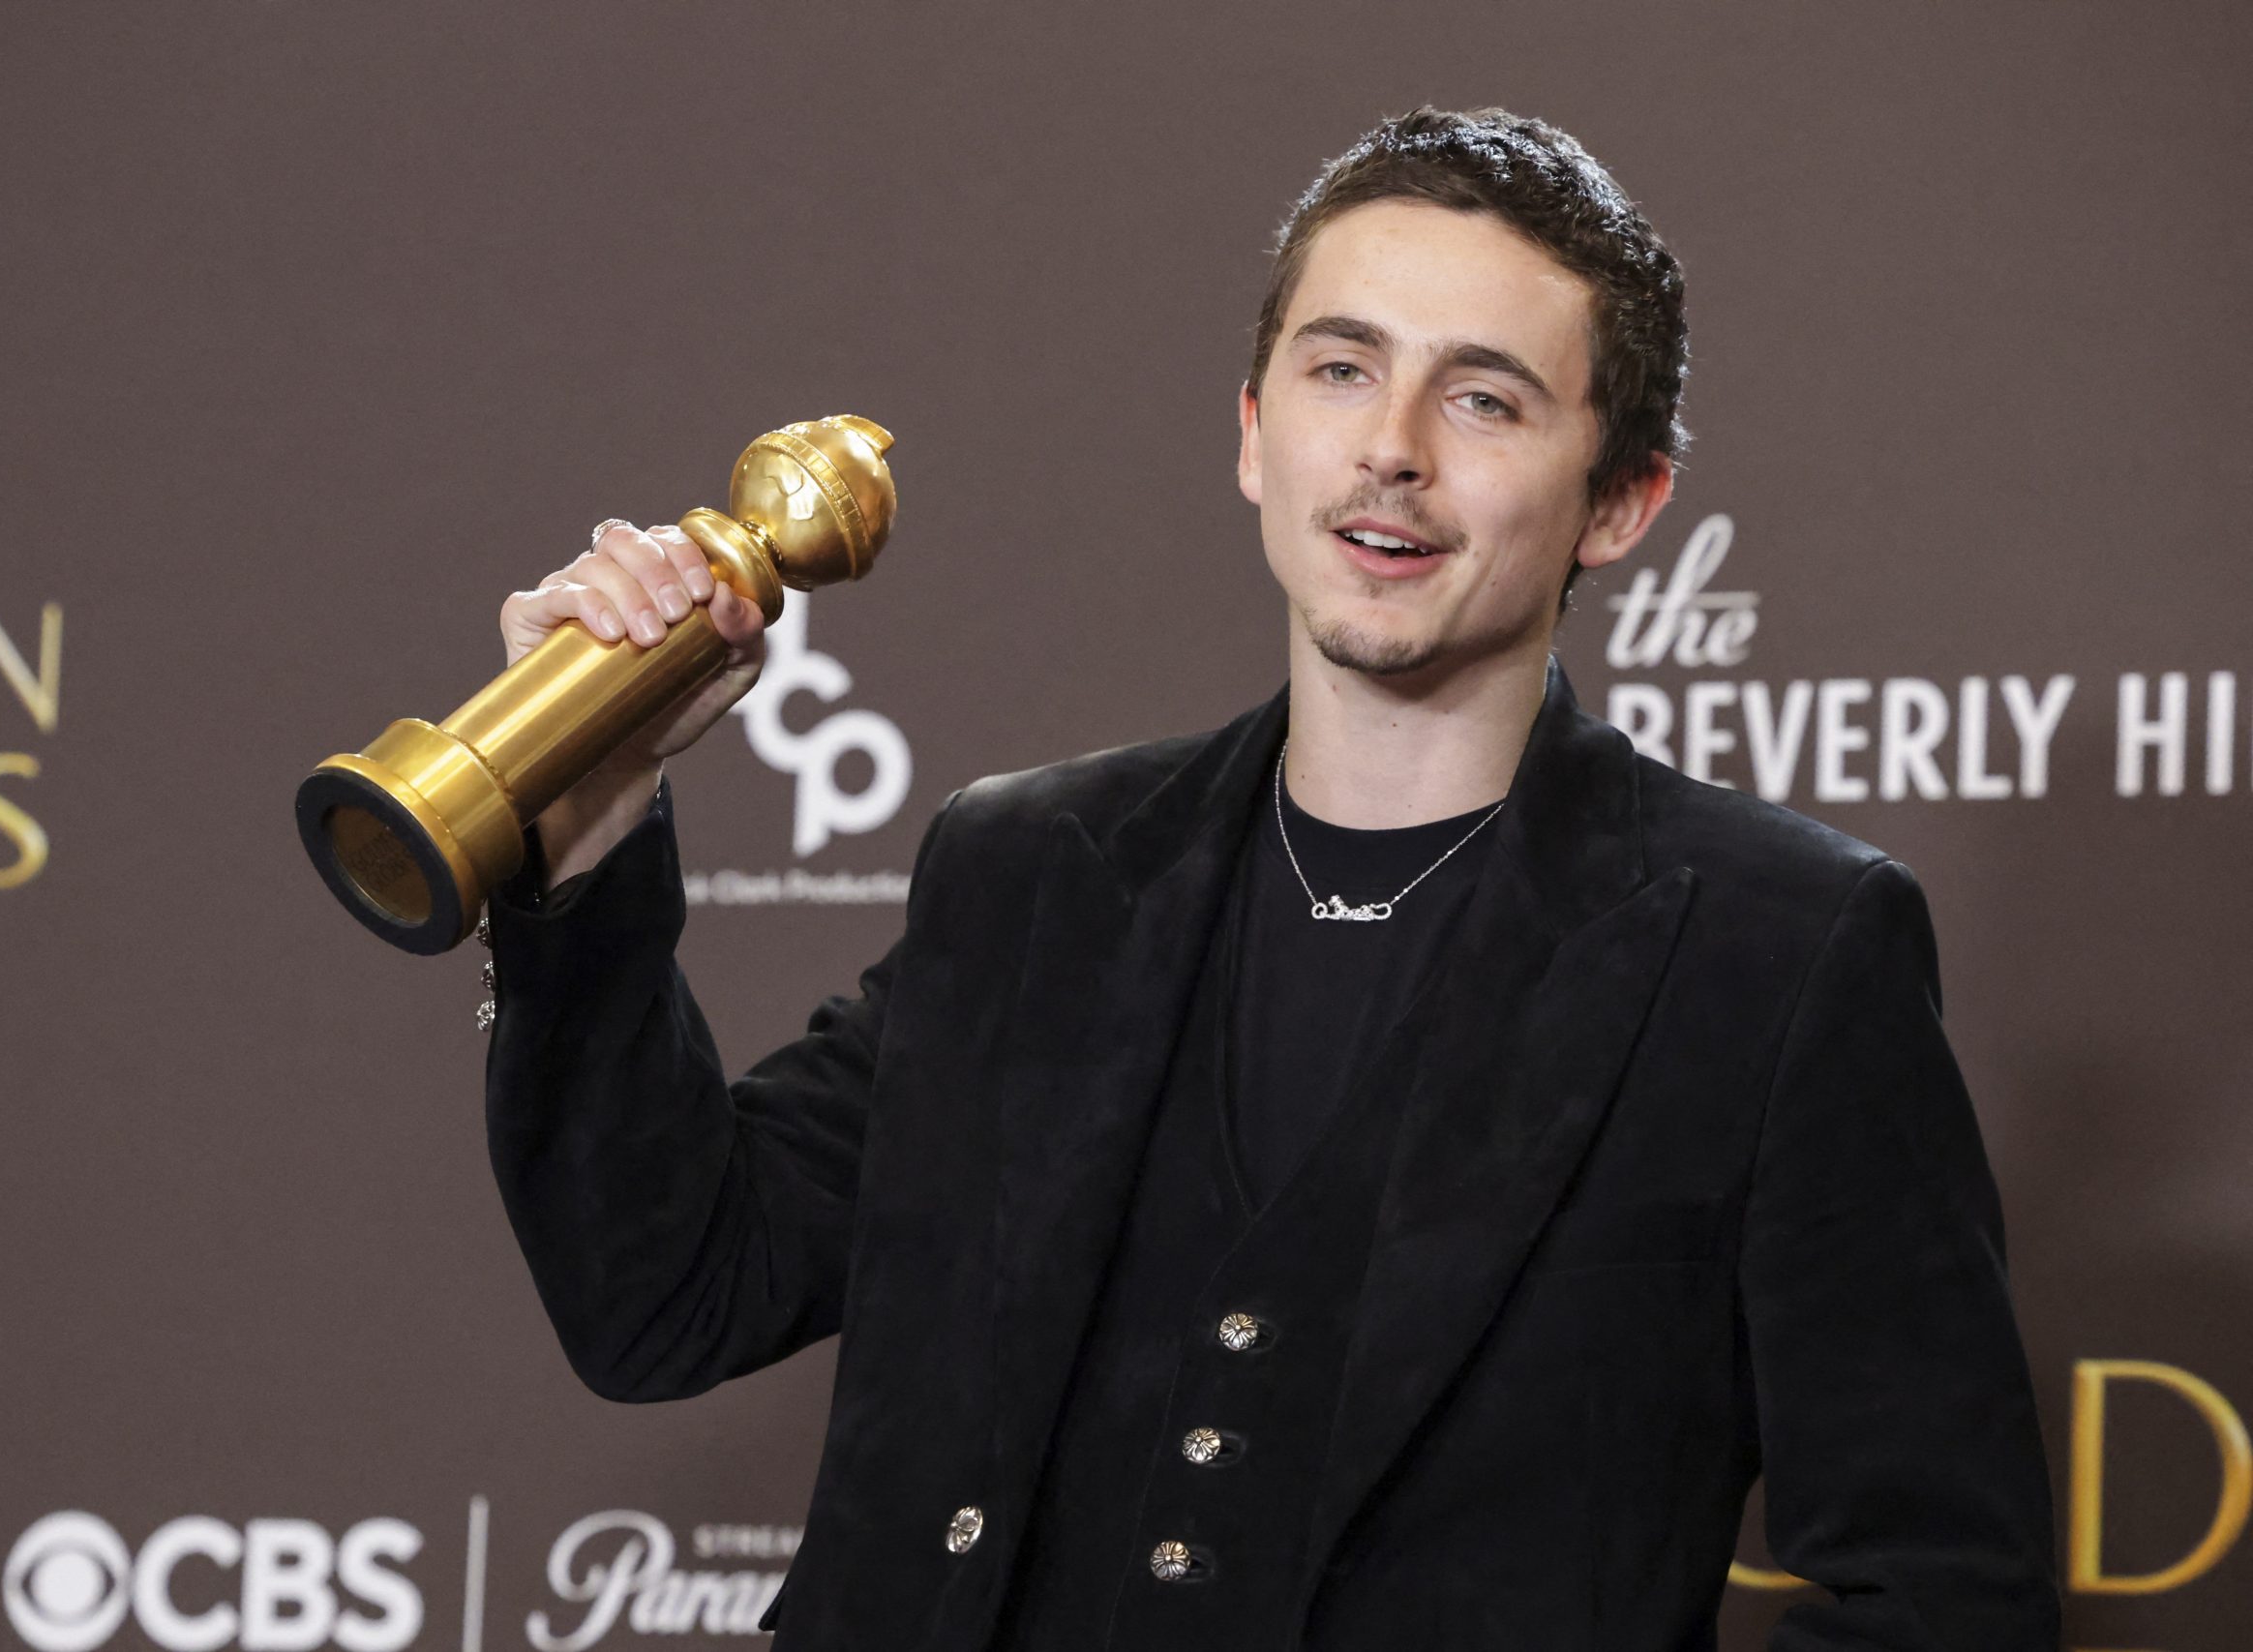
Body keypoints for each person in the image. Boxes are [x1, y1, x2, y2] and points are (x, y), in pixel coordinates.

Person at [478, 105, 2060, 1650]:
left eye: (1485, 400)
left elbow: (1942, 1592)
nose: (1390, 451)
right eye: (1341, 368)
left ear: (1622, 501)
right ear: (1253, 431)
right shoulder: (1034, 876)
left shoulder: (1778, 952)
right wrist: (593, 816)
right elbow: (668, 1295)